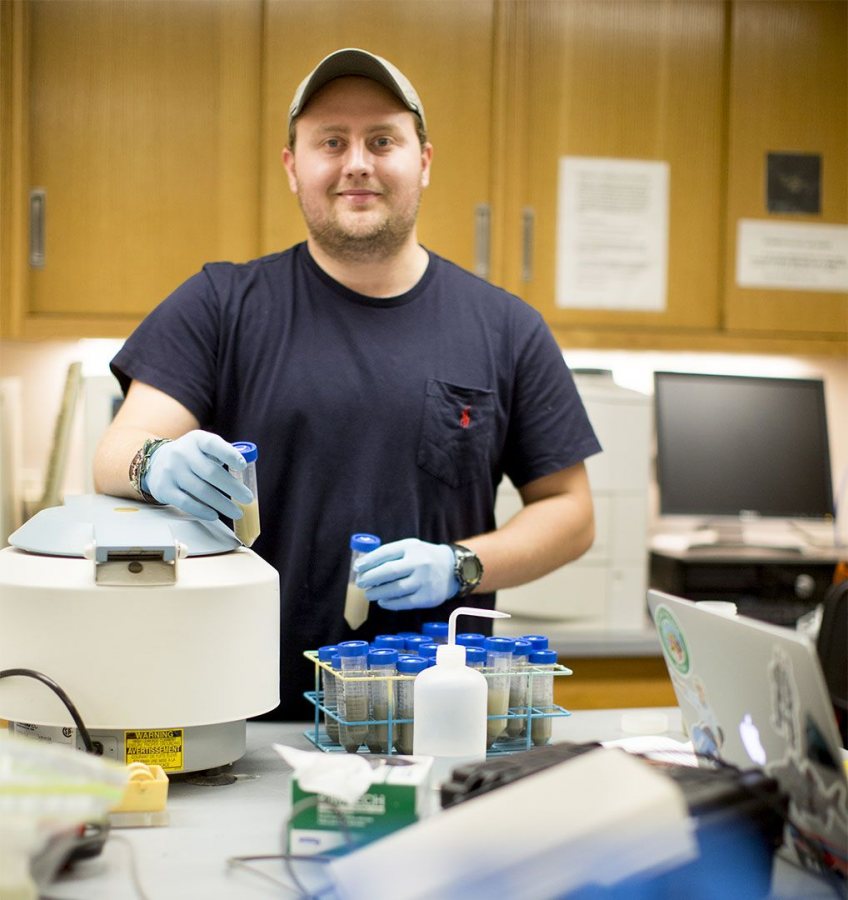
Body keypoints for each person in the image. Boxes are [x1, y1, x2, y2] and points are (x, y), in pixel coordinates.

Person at [94, 48, 602, 720]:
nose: (356, 162)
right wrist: (155, 462)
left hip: (435, 715)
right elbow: (114, 453)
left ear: (423, 160)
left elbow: (571, 512)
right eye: (331, 141)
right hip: (238, 709)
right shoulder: (221, 303)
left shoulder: (505, 328)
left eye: (382, 140)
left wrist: (461, 564)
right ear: (292, 166)